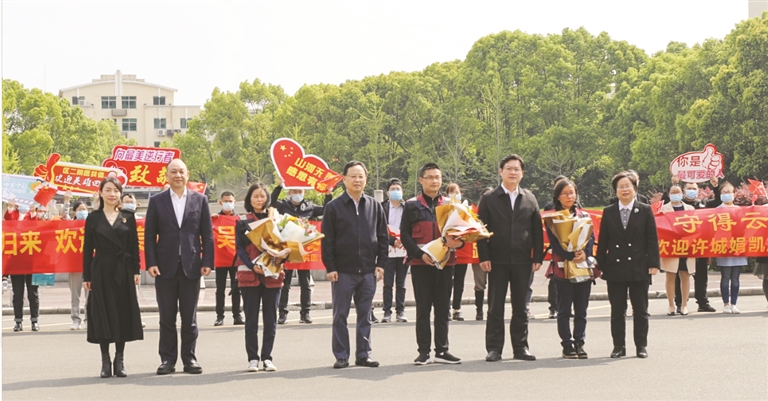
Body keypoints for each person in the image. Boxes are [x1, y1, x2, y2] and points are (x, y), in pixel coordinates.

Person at [145, 159, 214, 375]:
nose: (178, 175)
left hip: (191, 266)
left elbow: (207, 235)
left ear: (187, 174)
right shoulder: (157, 201)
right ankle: (167, 360)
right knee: (166, 317)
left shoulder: (200, 200)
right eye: (173, 172)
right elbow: (149, 235)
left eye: (181, 171)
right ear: (167, 175)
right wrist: (151, 262)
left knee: (189, 318)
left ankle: (189, 358)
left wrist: (207, 262)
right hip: (164, 267)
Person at [321, 161, 387, 369]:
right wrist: (330, 267)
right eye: (353, 176)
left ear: (366, 179)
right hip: (343, 272)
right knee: (340, 315)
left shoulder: (375, 206)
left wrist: (381, 264)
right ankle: (341, 355)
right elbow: (327, 240)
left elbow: (382, 237)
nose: (357, 180)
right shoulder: (333, 207)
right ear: (344, 179)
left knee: (365, 315)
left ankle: (363, 354)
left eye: (361, 176)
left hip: (368, 271)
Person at [477, 154, 543, 362]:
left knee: (521, 306)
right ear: (501, 171)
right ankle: (494, 348)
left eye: (517, 169)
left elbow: (537, 231)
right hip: (497, 259)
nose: (513, 172)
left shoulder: (529, 198)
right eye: (509, 168)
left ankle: (521, 347)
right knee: (495, 305)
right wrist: (484, 256)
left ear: (522, 173)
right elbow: (480, 230)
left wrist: (538, 256)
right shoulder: (489, 198)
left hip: (523, 260)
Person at [401, 163, 464, 366]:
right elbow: (405, 234)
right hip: (421, 264)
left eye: (437, 177)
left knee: (443, 308)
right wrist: (419, 254)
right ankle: (424, 352)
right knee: (423, 309)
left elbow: (461, 233)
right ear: (421, 180)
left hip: (445, 263)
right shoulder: (411, 205)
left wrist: (459, 243)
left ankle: (442, 351)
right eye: (429, 177)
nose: (434, 181)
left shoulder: (450, 205)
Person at [82, 177, 144, 378]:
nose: (112, 194)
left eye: (116, 190)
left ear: (120, 194)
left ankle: (120, 360)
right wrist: (87, 276)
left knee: (121, 312)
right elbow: (87, 249)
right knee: (102, 312)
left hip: (123, 270)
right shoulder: (93, 218)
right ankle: (105, 361)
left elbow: (134, 246)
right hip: (100, 270)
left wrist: (136, 270)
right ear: (100, 193)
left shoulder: (128, 216)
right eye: (108, 190)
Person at [596, 171, 660, 359]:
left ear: (635, 189)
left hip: (639, 266)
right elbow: (603, 240)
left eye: (627, 186)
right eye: (620, 187)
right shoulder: (609, 211)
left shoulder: (645, 210)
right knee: (617, 310)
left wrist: (654, 263)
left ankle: (641, 346)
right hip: (615, 267)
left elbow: (652, 239)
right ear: (615, 190)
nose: (624, 190)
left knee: (641, 310)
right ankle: (618, 346)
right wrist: (600, 265)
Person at [544, 179, 595, 359]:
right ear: (558, 196)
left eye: (572, 192)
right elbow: (554, 242)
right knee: (564, 309)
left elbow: (591, 238)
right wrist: (570, 255)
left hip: (582, 266)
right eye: (565, 193)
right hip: (562, 267)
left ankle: (580, 342)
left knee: (581, 309)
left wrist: (585, 254)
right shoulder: (553, 217)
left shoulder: (584, 215)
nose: (569, 196)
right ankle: (567, 344)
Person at [236, 183, 284, 372]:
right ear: (249, 199)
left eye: (262, 196)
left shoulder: (276, 220)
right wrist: (252, 265)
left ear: (267, 198)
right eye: (255, 196)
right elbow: (239, 248)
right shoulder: (242, 221)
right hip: (250, 275)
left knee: (271, 319)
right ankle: (253, 359)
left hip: (273, 275)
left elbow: (286, 243)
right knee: (251, 320)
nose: (259, 199)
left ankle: (267, 357)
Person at [271, 179, 332, 324]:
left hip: (305, 249)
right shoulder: (283, 206)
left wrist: (328, 194)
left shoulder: (310, 206)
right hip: (288, 248)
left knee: (305, 283)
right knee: (285, 283)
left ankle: (305, 313)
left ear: (304, 192)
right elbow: (271, 202)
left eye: (300, 191)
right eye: (294, 191)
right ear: (289, 193)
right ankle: (282, 313)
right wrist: (279, 186)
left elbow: (327, 209)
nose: (297, 193)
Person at [674, 177, 722, 313]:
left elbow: (718, 202)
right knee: (681, 276)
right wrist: (674, 183)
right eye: (689, 188)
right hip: (683, 246)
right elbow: (665, 203)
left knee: (701, 276)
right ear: (683, 191)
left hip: (701, 246)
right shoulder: (678, 205)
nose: (692, 191)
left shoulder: (704, 204)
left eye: (694, 188)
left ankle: (702, 302)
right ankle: (680, 303)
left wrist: (715, 187)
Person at [5, 199, 41, 332]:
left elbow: (36, 227)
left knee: (33, 293)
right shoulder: (12, 215)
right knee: (18, 293)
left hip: (31, 262)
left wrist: (33, 212)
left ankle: (34, 321)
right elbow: (8, 222)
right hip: (16, 261)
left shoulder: (33, 216)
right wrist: (10, 207)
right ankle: (18, 321)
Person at [660, 184, 695, 316]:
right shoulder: (663, 209)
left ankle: (684, 305)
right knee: (670, 276)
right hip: (670, 246)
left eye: (678, 191)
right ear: (669, 194)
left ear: (682, 193)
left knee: (685, 275)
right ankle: (671, 305)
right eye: (673, 192)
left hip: (686, 246)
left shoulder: (690, 209)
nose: (676, 194)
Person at [714, 182, 747, 314]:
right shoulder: (716, 210)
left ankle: (734, 304)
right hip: (724, 246)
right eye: (724, 192)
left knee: (735, 278)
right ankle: (726, 304)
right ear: (720, 194)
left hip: (738, 246)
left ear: (734, 194)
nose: (727, 194)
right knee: (725, 277)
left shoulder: (740, 210)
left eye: (729, 192)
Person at [213, 191, 245, 327]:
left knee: (237, 288)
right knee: (220, 289)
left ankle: (237, 315)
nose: (228, 203)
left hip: (236, 259)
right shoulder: (214, 219)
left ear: (235, 202)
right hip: (221, 260)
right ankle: (219, 316)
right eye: (225, 201)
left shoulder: (240, 220)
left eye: (230, 201)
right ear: (220, 202)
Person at [381, 178, 408, 323]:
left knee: (401, 283)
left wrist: (403, 240)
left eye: (398, 189)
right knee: (388, 283)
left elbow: (411, 227)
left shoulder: (407, 207)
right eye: (393, 189)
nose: (396, 192)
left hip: (403, 249)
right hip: (388, 249)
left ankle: (400, 311)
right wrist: (392, 241)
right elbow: (379, 229)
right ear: (388, 193)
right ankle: (387, 312)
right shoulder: (382, 208)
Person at [122, 193, 146, 329]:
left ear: (136, 204)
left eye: (131, 202)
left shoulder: (141, 221)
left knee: (135, 293)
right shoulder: (118, 219)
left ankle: (136, 319)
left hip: (134, 262)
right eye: (126, 202)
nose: (129, 204)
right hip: (120, 262)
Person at [471, 187, 494, 321]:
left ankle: (492, 309)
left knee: (494, 284)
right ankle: (479, 310)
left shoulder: (498, 212)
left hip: (495, 252)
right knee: (480, 284)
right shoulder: (474, 215)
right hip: (478, 253)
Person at [67, 199, 90, 330]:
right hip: (74, 265)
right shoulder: (70, 224)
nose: (83, 212)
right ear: (75, 212)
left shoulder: (91, 224)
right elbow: (63, 216)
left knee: (90, 294)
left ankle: (88, 319)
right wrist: (66, 201)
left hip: (89, 265)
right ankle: (76, 319)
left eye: (84, 209)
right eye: (80, 209)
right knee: (75, 295)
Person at [446, 183, 468, 322]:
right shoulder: (444, 209)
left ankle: (457, 309)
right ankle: (446, 308)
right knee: (447, 282)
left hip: (461, 251)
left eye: (457, 192)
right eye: (452, 192)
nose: (455, 195)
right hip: (447, 251)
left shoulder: (465, 209)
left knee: (459, 283)